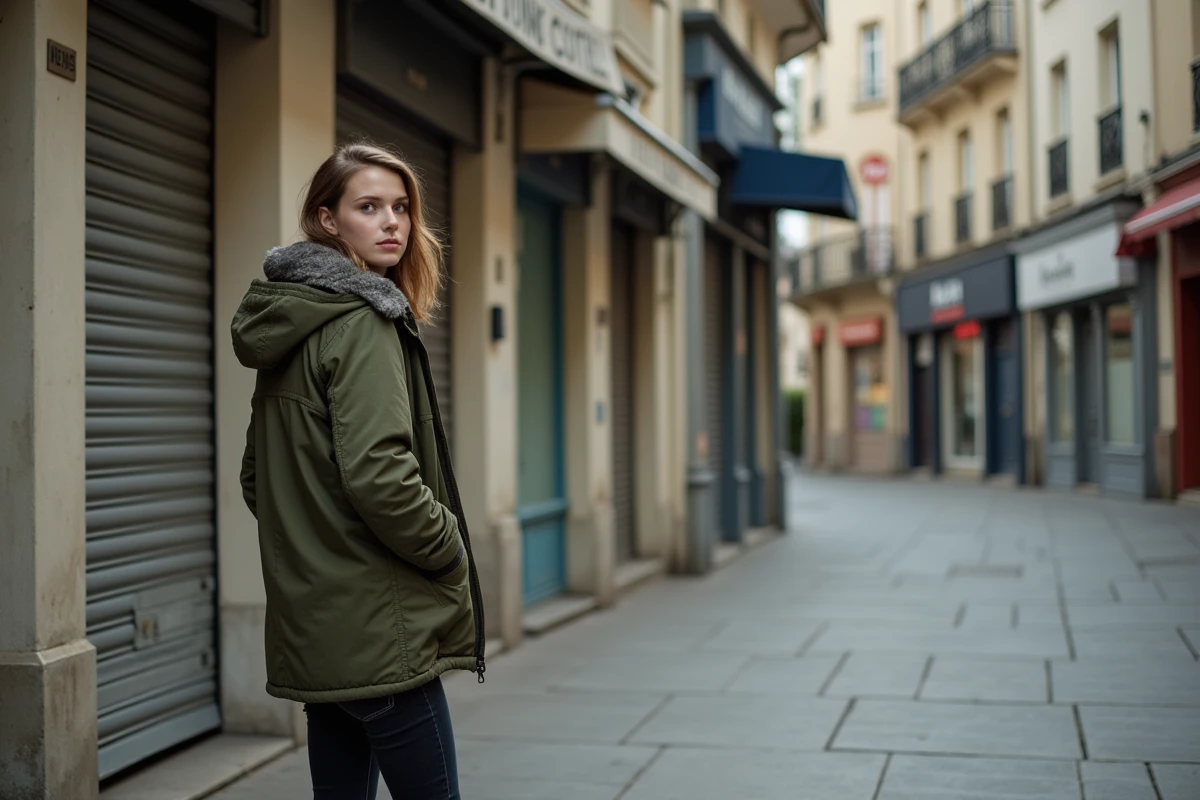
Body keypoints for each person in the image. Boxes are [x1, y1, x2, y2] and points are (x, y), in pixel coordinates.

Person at [231, 142, 485, 799]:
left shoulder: (292, 320)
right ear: (327, 219)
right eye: (368, 207)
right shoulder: (364, 324)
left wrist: (316, 550)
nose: (392, 222)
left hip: (319, 622)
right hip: (379, 627)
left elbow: (258, 478)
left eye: (401, 207)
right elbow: (382, 477)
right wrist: (449, 547)